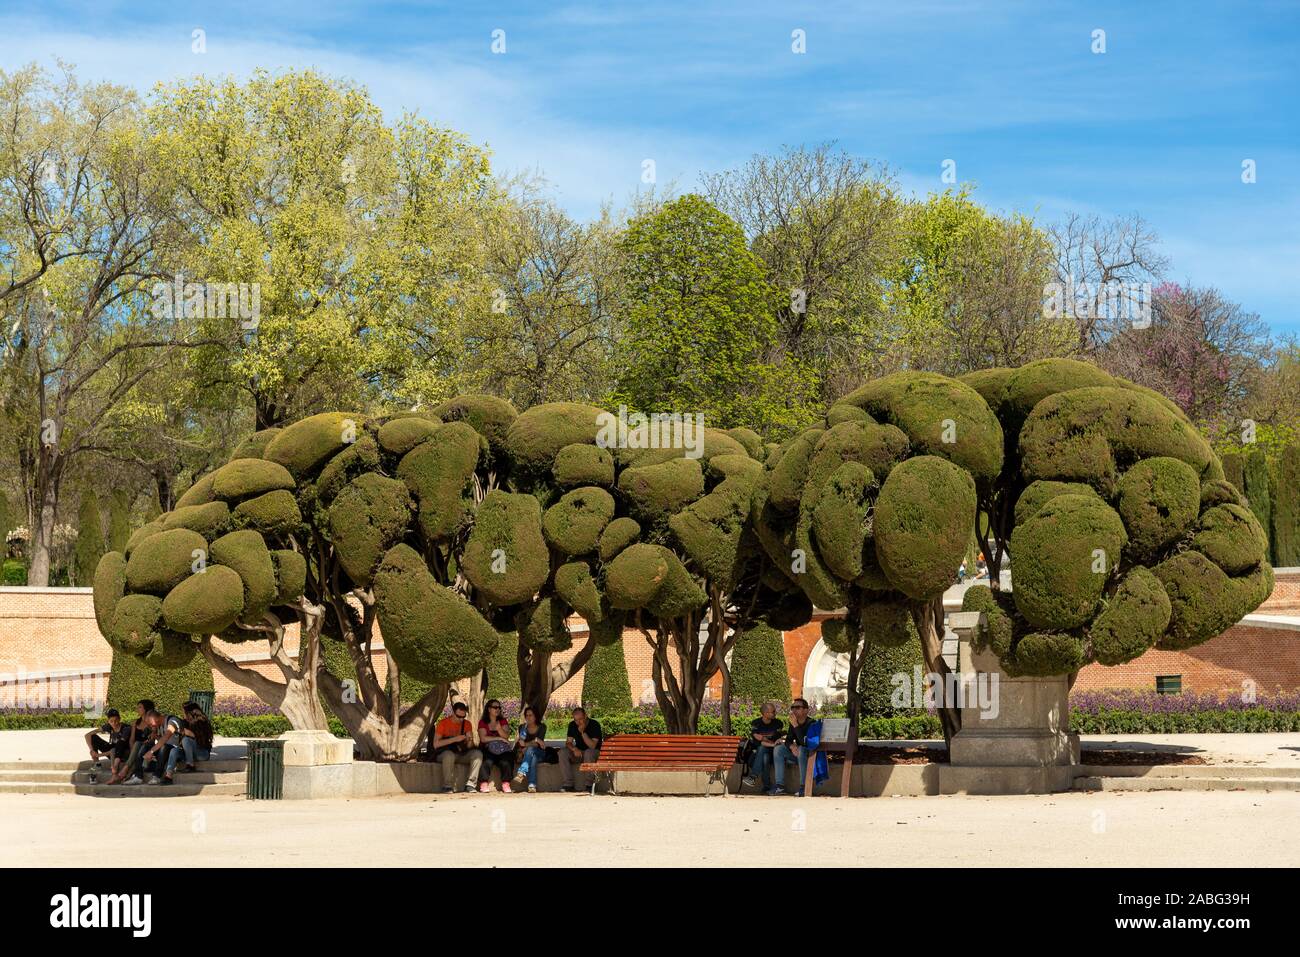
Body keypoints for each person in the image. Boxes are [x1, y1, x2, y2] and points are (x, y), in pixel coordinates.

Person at [431, 701, 482, 793]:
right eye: (459, 717)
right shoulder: (443, 723)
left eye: (463, 717)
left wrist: (469, 740)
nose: (461, 719)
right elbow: (436, 744)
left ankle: (470, 784)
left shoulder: (467, 724)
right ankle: (447, 786)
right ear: (453, 713)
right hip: (445, 754)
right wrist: (455, 739)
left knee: (477, 754)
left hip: (460, 753)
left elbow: (470, 746)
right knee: (449, 755)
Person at [770, 698, 814, 796]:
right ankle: (780, 786)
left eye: (797, 707)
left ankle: (804, 787)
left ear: (806, 710)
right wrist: (791, 746)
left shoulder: (811, 723)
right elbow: (789, 739)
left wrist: (795, 725)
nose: (794, 710)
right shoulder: (793, 723)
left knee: (802, 749)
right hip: (797, 754)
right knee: (779, 749)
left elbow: (804, 742)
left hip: (809, 756)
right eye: (792, 707)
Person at [558, 706, 603, 793]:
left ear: (585, 716)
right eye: (576, 720)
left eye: (580, 719)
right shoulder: (572, 725)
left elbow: (592, 746)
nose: (578, 722)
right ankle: (568, 784)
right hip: (579, 752)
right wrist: (574, 749)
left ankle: (589, 785)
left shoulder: (594, 725)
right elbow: (568, 742)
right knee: (562, 752)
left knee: (588, 752)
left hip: (594, 753)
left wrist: (583, 732)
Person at [742, 701, 784, 793]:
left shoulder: (778, 723)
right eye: (773, 712)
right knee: (764, 755)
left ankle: (753, 777)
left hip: (774, 753)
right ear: (765, 713)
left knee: (763, 751)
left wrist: (765, 739)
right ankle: (766, 785)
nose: (775, 713)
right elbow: (760, 742)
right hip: (756, 755)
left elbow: (775, 740)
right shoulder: (756, 723)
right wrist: (771, 743)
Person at [113, 699, 156, 786]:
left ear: (146, 709)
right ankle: (129, 774)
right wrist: (134, 752)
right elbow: (131, 740)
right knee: (136, 743)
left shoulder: (152, 722)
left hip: (147, 748)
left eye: (140, 707)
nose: (137, 709)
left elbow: (152, 739)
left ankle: (126, 769)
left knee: (139, 744)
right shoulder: (136, 722)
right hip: (136, 748)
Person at [140, 710, 187, 786]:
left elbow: (166, 737)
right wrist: (155, 736)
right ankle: (138, 774)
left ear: (155, 719)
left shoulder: (172, 721)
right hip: (168, 751)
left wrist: (151, 752)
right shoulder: (160, 725)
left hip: (178, 752)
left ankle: (157, 776)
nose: (151, 726)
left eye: (151, 724)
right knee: (147, 746)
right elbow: (163, 740)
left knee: (163, 747)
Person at [477, 699, 515, 792]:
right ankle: (484, 783)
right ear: (489, 709)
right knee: (487, 761)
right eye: (495, 707)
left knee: (506, 760)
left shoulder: (502, 721)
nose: (497, 709)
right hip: (487, 749)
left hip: (502, 749)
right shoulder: (483, 722)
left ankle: (506, 783)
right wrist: (498, 738)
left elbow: (506, 736)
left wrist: (499, 729)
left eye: (499, 707)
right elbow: (483, 739)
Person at [84, 708, 130, 781]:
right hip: (113, 752)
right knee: (93, 737)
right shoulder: (108, 726)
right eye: (111, 721)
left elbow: (116, 749)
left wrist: (98, 755)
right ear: (108, 721)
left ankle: (115, 768)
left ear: (120, 719)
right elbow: (87, 735)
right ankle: (97, 764)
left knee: (118, 745)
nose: (114, 723)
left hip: (122, 754)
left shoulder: (126, 728)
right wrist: (92, 750)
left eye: (116, 720)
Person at [511, 705, 548, 793]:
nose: (528, 717)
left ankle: (521, 772)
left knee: (530, 750)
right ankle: (532, 786)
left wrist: (528, 745)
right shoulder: (522, 727)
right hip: (529, 755)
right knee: (533, 759)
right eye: (526, 715)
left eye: (530, 715)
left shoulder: (542, 727)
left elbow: (536, 744)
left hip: (540, 753)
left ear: (536, 716)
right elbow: (521, 742)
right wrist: (532, 742)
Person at [178, 702, 214, 771]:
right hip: (189, 753)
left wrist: (193, 735)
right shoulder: (184, 722)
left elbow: (204, 742)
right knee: (174, 751)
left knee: (185, 739)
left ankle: (190, 765)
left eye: (184, 711)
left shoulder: (202, 722)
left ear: (189, 712)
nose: (182, 713)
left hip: (202, 753)